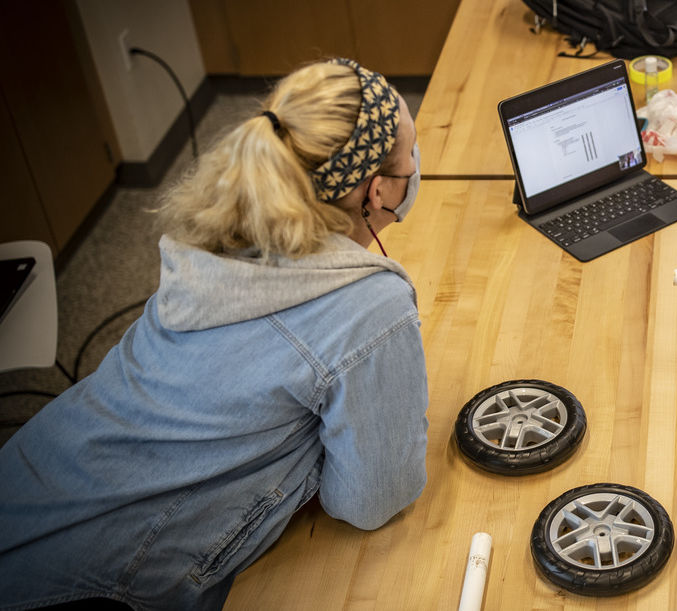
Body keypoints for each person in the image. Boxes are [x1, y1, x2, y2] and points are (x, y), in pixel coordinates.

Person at [0, 58, 429, 610]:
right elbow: (372, 501)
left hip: (28, 490)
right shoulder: (366, 308)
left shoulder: (211, 231)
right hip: (85, 588)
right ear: (375, 193)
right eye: (409, 157)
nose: (416, 167)